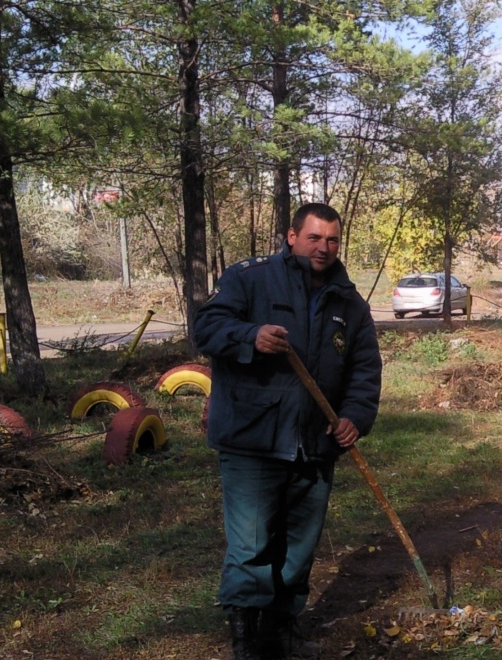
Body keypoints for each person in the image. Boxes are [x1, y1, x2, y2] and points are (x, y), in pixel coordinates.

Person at [195, 202, 382, 659]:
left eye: (332, 239)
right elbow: (206, 327)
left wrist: (354, 418)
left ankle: (281, 632)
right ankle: (246, 642)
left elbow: (364, 370)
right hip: (253, 438)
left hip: (316, 443)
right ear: (291, 236)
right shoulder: (249, 278)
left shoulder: (348, 301)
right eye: (314, 238)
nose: (323, 247)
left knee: (299, 548)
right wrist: (250, 337)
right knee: (252, 546)